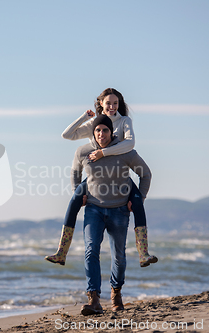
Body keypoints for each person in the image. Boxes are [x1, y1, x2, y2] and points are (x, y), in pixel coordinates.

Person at [45, 88, 157, 268]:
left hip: (119, 175)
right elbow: (67, 135)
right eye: (108, 103)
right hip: (95, 174)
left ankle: (143, 253)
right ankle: (61, 252)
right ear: (101, 104)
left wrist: (103, 153)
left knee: (137, 202)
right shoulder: (94, 123)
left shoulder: (124, 121)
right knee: (74, 200)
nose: (112, 107)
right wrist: (84, 117)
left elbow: (130, 143)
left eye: (115, 103)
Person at [73, 115, 152, 315]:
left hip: (119, 210)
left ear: (112, 132)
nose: (101, 134)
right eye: (97, 130)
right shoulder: (83, 151)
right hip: (94, 209)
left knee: (119, 256)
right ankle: (94, 299)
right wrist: (79, 194)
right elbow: (75, 174)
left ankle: (116, 293)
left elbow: (146, 174)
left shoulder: (126, 152)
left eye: (105, 130)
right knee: (91, 251)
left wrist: (138, 200)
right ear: (93, 132)